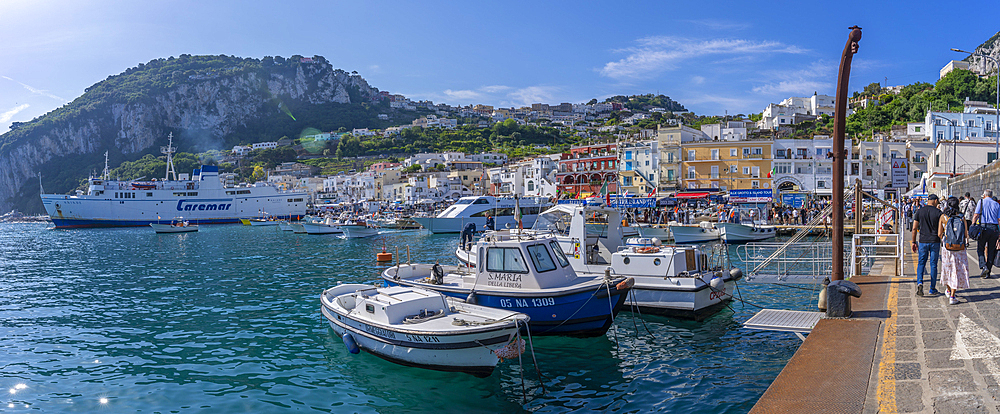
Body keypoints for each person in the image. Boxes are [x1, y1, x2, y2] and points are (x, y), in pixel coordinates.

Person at [938, 196, 970, 305]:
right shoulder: (961, 217)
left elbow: (939, 234)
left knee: (948, 269)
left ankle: (948, 290)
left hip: (947, 248)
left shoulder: (943, 217)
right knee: (957, 270)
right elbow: (965, 234)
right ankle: (952, 295)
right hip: (959, 248)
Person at [911, 194, 943, 296]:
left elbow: (914, 228)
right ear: (935, 200)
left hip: (923, 241)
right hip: (935, 241)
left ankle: (920, 282)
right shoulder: (939, 213)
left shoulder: (920, 211)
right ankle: (932, 288)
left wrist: (913, 242)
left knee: (921, 263)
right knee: (933, 265)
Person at [973, 189, 1000, 278]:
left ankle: (984, 266)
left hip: (983, 228)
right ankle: (988, 271)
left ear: (984, 195)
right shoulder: (996, 204)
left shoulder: (981, 202)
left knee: (980, 248)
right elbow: (999, 219)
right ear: (991, 196)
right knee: (991, 250)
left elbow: (976, 215)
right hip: (994, 228)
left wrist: (973, 226)